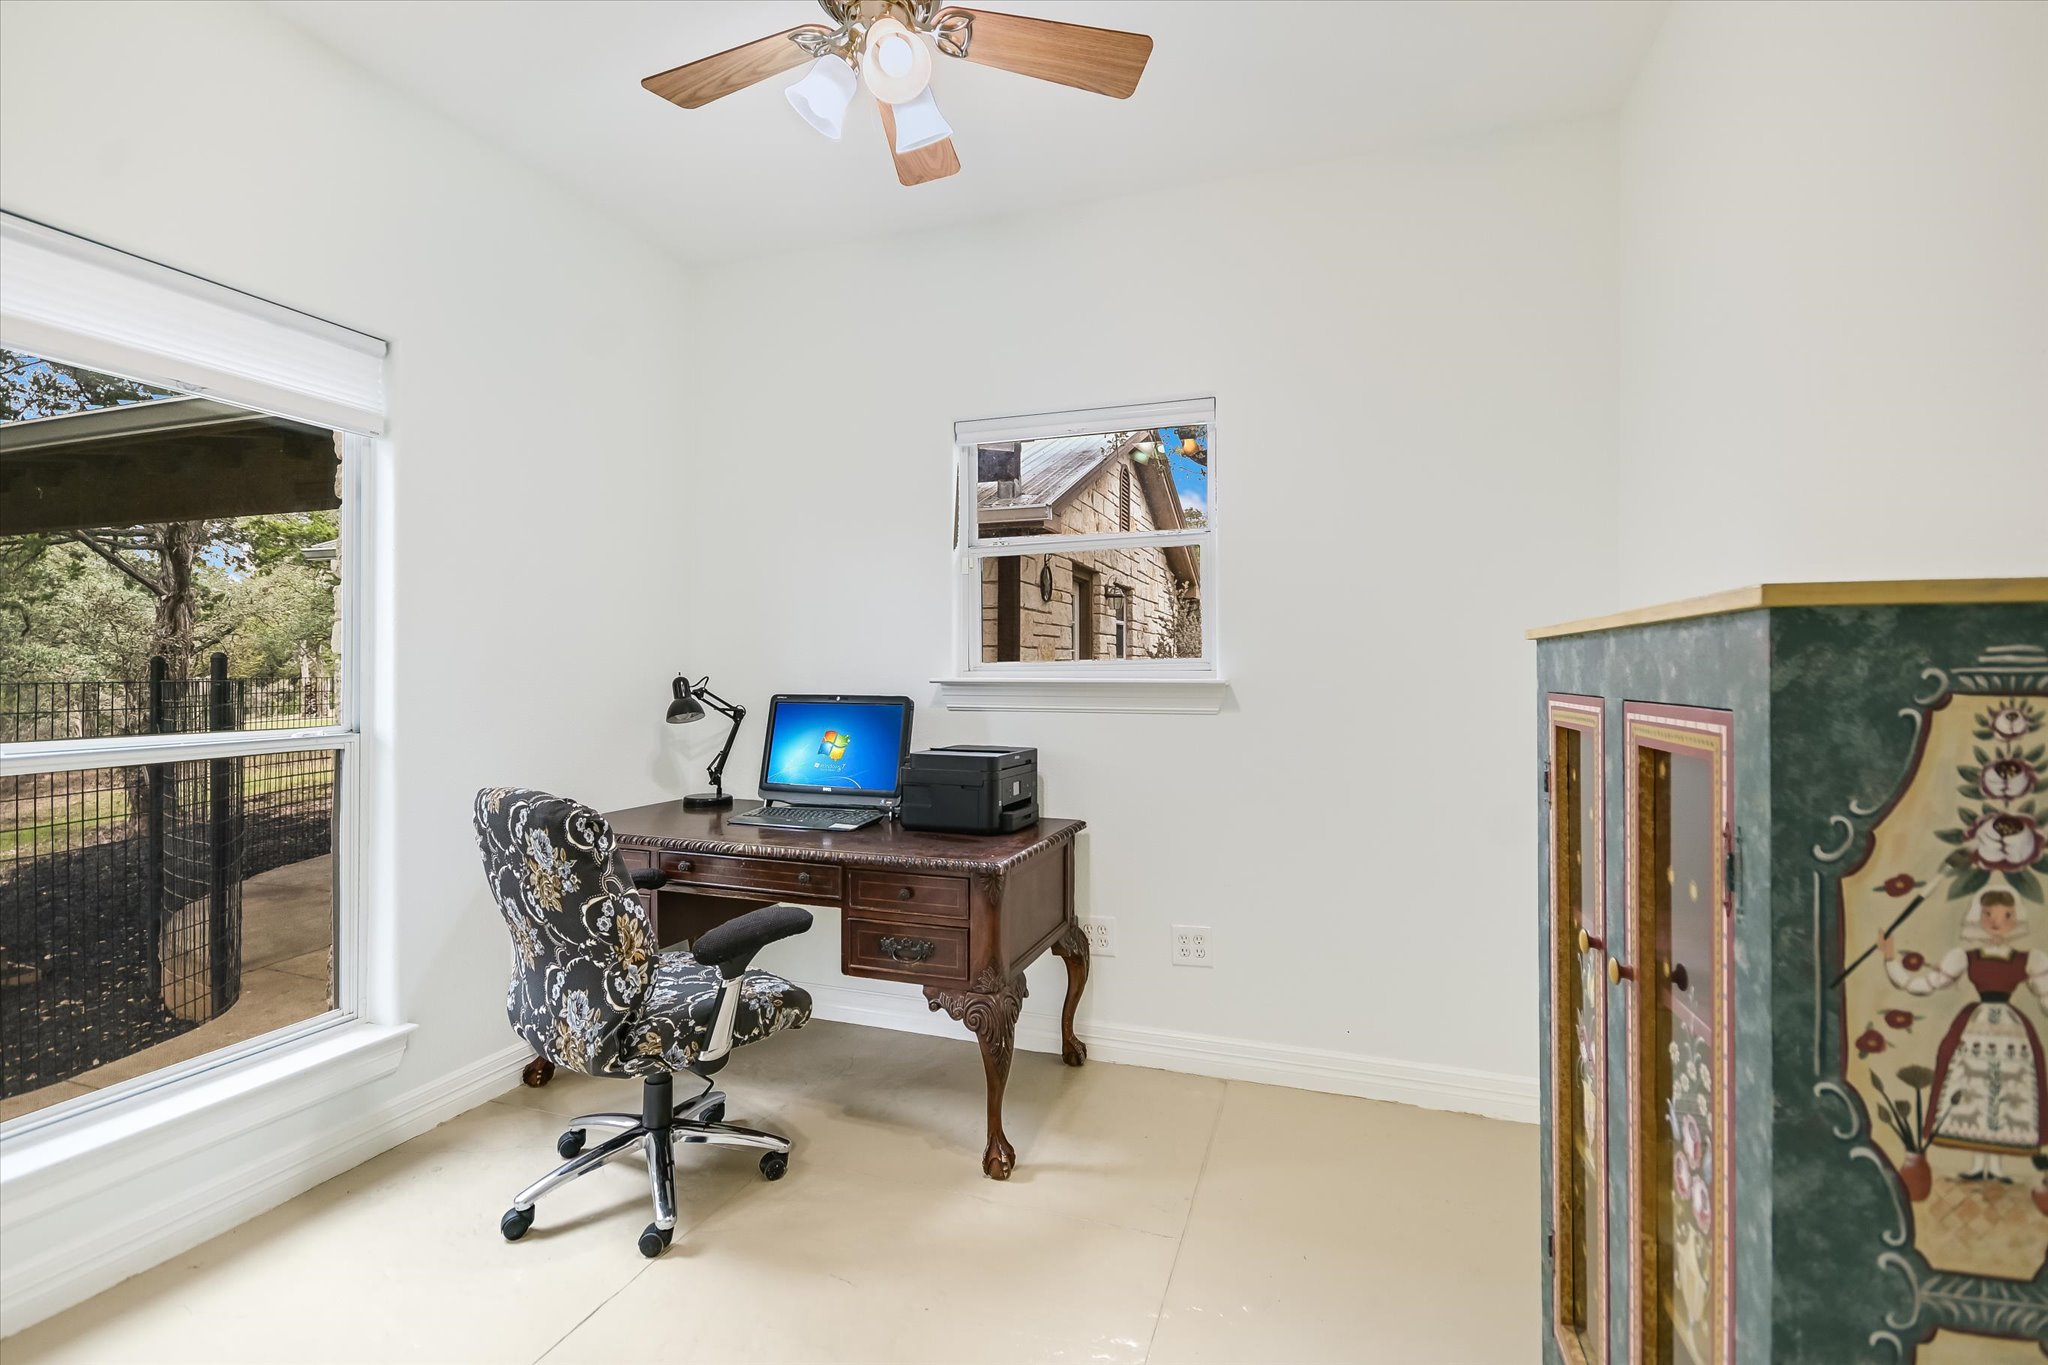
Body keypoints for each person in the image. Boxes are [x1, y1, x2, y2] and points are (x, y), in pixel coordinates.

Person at [1881, 888, 2048, 1182]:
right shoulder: (1965, 956)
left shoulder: (2030, 959)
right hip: (1974, 1031)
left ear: (2016, 918)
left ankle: (1995, 1168)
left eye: (2005, 916)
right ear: (1978, 916)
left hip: (2012, 1035)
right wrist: (1890, 960)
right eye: (1989, 915)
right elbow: (1925, 985)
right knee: (1973, 1089)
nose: (1997, 922)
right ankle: (1977, 1166)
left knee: (2007, 1092)